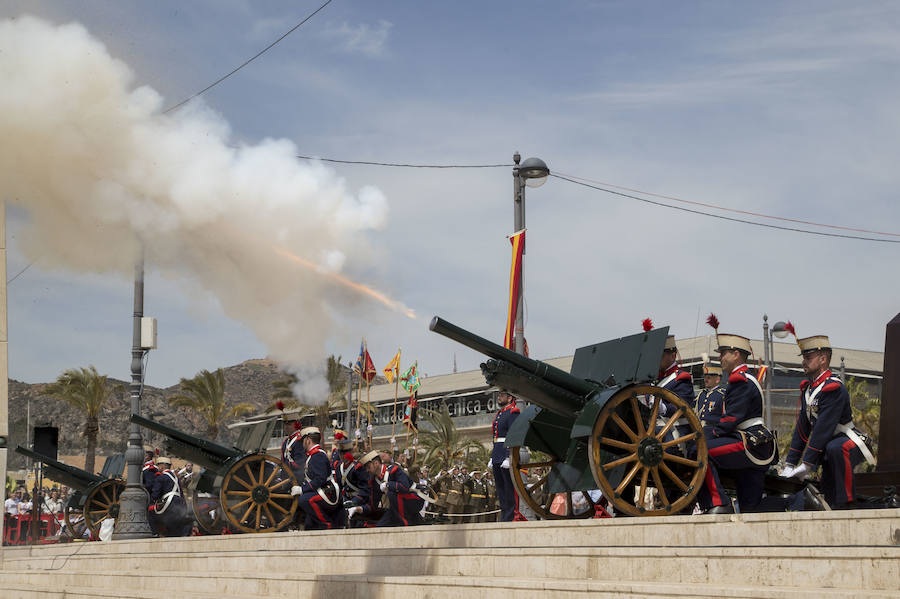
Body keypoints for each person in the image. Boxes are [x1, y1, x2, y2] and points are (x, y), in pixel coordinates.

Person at [782, 334, 874, 508]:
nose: (803, 362)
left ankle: (847, 502)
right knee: (829, 485)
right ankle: (834, 503)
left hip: (847, 440)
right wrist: (790, 463)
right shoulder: (809, 390)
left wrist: (807, 464)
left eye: (808, 358)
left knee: (835, 448)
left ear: (823, 359)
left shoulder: (833, 388)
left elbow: (823, 428)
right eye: (804, 358)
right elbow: (802, 429)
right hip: (828, 443)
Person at [696, 331, 777, 513]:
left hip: (750, 442)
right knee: (751, 509)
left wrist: (708, 434)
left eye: (723, 353)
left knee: (701, 450)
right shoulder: (741, 379)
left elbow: (731, 419)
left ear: (736, 354)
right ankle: (801, 500)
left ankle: (717, 504)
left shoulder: (740, 380)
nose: (720, 358)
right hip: (753, 443)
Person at [289, 427, 344, 530]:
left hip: (327, 493)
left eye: (303, 441)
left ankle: (327, 525)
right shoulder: (314, 455)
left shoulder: (317, 455)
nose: (302, 444)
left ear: (308, 440)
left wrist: (302, 490)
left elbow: (320, 479)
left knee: (304, 500)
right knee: (309, 526)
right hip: (321, 491)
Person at [356, 450, 424, 527]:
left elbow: (405, 487)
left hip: (414, 500)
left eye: (368, 467)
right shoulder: (375, 482)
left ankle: (405, 523)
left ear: (376, 463)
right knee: (380, 526)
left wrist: (388, 485)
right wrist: (359, 509)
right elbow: (373, 504)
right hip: (395, 508)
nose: (367, 470)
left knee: (392, 493)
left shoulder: (394, 470)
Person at [489, 390, 522, 521]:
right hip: (498, 453)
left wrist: (509, 455)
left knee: (509, 487)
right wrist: (493, 456)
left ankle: (512, 515)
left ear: (509, 398)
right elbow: (496, 436)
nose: (499, 397)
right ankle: (505, 516)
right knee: (500, 488)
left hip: (507, 454)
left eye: (502, 395)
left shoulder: (513, 412)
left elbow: (513, 434)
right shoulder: (499, 414)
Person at [148, 456, 192, 537]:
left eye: (158, 466)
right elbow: (181, 493)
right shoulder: (176, 478)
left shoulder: (160, 478)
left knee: (150, 512)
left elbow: (155, 495)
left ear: (161, 466)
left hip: (168, 506)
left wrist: (151, 502)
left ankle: (154, 534)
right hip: (179, 505)